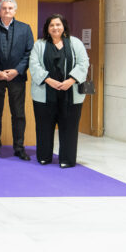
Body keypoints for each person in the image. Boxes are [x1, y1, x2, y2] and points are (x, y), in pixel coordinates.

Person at [29, 14, 89, 168]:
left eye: (58, 24)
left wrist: (71, 80)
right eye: (52, 25)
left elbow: (83, 63)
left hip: (70, 93)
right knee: (44, 127)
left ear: (64, 27)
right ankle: (44, 157)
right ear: (47, 28)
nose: (55, 28)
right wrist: (49, 80)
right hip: (44, 93)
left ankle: (67, 159)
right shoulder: (39, 45)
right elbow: (34, 65)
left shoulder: (75, 43)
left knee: (69, 128)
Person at [0, 0, 34, 160]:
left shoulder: (25, 29)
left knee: (18, 114)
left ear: (15, 10)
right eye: (4, 8)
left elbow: (29, 53)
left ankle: (19, 148)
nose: (7, 11)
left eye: (10, 8)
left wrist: (17, 70)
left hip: (17, 78)